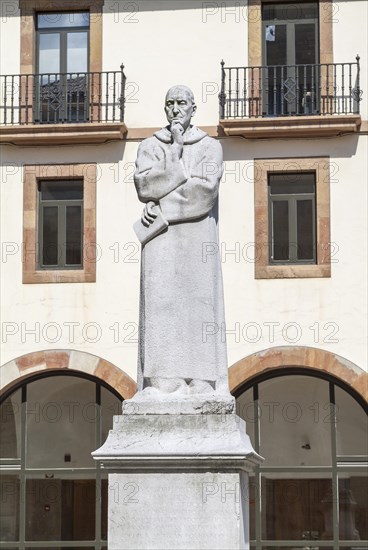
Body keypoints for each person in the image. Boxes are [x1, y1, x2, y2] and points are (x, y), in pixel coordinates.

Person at [133, 85, 228, 396]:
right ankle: (161, 381)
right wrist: (173, 151)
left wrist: (161, 205)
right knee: (161, 304)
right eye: (170, 103)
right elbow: (144, 185)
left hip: (196, 240)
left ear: (192, 108)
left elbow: (205, 191)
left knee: (199, 308)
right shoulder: (149, 146)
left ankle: (202, 381)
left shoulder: (209, 147)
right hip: (160, 241)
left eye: (182, 103)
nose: (175, 109)